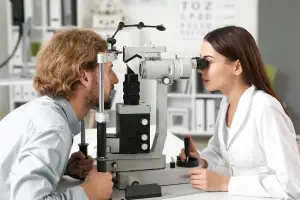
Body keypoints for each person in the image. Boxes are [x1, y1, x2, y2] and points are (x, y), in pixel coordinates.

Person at [179, 26, 300, 199]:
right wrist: (201, 160)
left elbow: (291, 185)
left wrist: (224, 183)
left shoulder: (265, 108)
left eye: (208, 61)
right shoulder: (226, 103)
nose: (201, 69)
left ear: (237, 67)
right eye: (200, 62)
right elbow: (219, 151)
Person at [0, 29, 119, 200]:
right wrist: (89, 193)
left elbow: (13, 170)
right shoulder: (54, 129)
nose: (115, 79)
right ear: (84, 77)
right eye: (109, 70)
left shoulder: (42, 110)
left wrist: (62, 167)